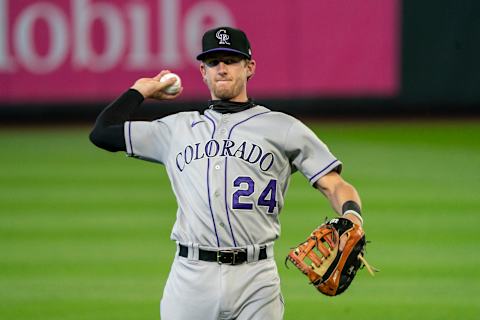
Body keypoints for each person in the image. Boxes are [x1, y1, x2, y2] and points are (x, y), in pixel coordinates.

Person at [90, 26, 364, 320]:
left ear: (249, 67)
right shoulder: (174, 129)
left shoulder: (283, 127)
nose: (222, 69)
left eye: (231, 60)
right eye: (213, 62)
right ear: (202, 72)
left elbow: (334, 184)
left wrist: (352, 215)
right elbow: (103, 133)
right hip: (191, 276)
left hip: (257, 279)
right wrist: (140, 90)